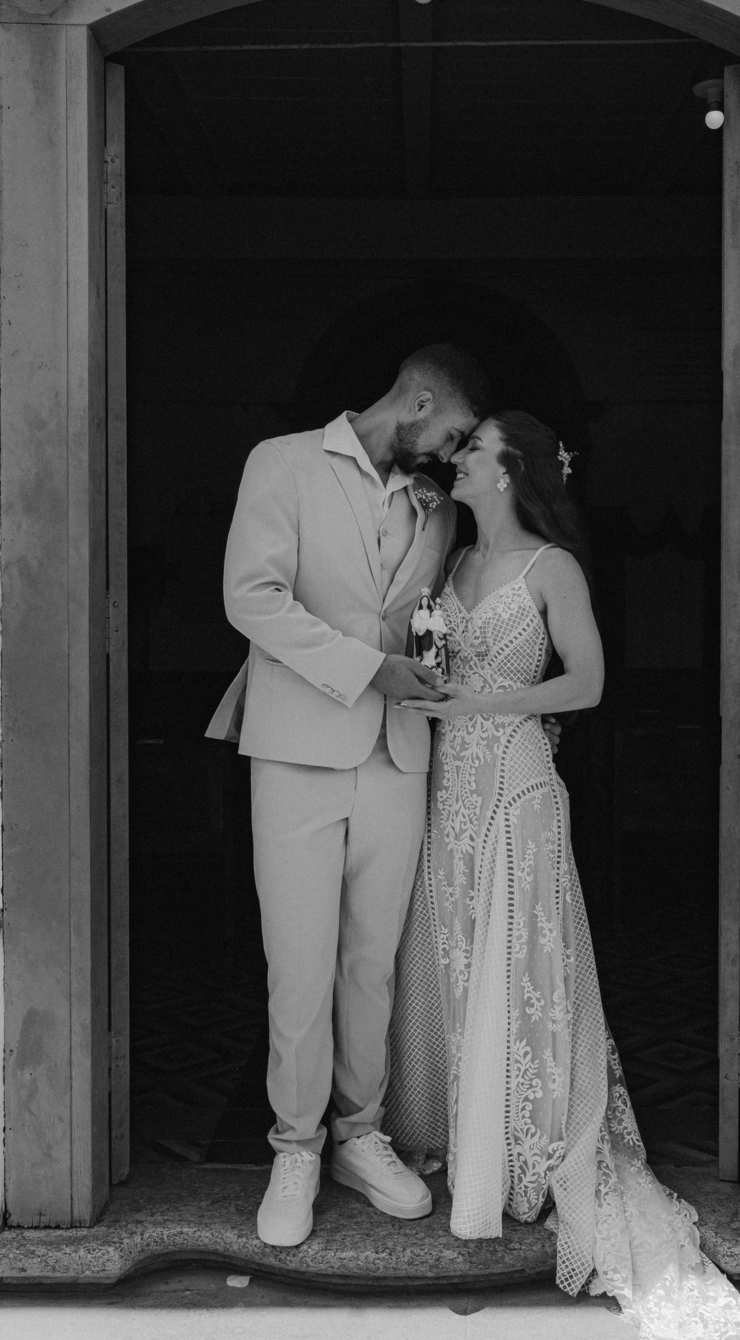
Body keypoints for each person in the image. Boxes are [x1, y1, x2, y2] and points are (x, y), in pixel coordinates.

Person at [386, 412, 740, 1340]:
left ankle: (523, 1148)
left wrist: (488, 703)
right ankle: (458, 1131)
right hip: (446, 784)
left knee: (517, 963)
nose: (457, 458)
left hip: (515, 779)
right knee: (449, 951)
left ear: (510, 469)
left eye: (473, 448)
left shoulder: (551, 568)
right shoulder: (451, 562)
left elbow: (588, 683)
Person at [207, 343, 491, 1247]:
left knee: (373, 961)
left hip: (398, 754)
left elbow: (427, 620)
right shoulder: (282, 462)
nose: (449, 455)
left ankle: (359, 1137)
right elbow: (252, 597)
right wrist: (370, 669)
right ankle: (294, 1147)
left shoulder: (437, 508)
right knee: (299, 962)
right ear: (419, 402)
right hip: (296, 748)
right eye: (451, 434)